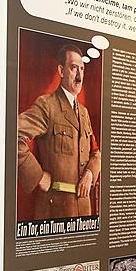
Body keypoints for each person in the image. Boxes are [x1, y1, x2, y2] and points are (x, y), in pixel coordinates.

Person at [17, 44, 100, 219]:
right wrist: (37, 176)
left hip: (84, 210)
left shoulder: (84, 112)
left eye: (82, 69)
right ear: (61, 71)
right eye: (74, 68)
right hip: (55, 210)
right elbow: (11, 135)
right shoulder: (47, 105)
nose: (79, 76)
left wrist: (91, 173)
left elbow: (96, 153)